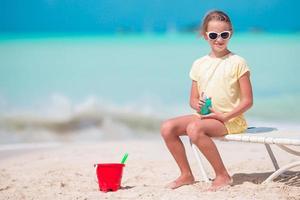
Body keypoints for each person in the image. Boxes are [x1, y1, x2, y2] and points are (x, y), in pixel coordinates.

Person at [160, 10, 253, 191]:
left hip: (231, 120)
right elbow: (193, 100)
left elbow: (248, 101)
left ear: (231, 34)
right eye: (213, 35)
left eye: (224, 34)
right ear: (205, 36)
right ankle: (186, 174)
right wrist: (198, 105)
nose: (219, 39)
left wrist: (224, 116)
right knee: (167, 127)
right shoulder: (198, 64)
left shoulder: (238, 62)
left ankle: (222, 175)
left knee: (194, 128)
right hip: (205, 117)